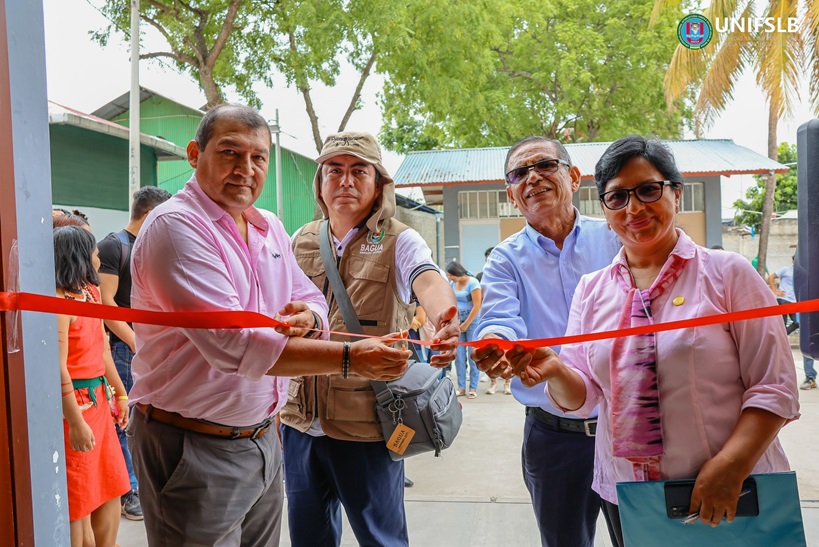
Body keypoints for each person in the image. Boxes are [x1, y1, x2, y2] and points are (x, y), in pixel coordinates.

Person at [478, 135, 799, 546]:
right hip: (627, 487)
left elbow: (775, 387)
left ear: (676, 193)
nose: (634, 209)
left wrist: (731, 467)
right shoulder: (592, 289)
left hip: (732, 486)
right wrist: (554, 367)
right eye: (618, 197)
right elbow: (585, 392)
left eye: (649, 190)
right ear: (606, 207)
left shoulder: (728, 274)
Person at [128, 105, 410, 546]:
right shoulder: (176, 227)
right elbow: (234, 346)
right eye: (229, 152)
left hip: (264, 438)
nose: (246, 169)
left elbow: (311, 295)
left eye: (258, 157)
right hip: (193, 443)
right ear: (193, 153)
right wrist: (352, 359)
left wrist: (310, 316)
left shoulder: (269, 226)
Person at [280, 131, 460, 547]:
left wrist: (445, 316)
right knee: (308, 537)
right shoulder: (299, 239)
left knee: (382, 540)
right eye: (334, 170)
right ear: (320, 183)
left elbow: (427, 279)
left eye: (358, 170)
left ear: (379, 183)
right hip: (300, 425)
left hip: (368, 427)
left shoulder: (400, 239)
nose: (345, 180)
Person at [473, 136, 621, 547]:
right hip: (554, 437)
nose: (532, 178)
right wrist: (494, 346)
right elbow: (500, 319)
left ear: (573, 176)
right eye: (519, 173)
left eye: (544, 165)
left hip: (628, 425)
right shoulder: (504, 259)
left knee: (644, 536)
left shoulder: (614, 238)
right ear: (511, 195)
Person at [96, 186, 171, 521]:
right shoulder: (113, 245)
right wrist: (134, 341)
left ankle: (148, 482)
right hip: (126, 351)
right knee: (128, 420)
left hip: (155, 348)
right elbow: (105, 303)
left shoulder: (156, 247)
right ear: (150, 213)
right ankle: (131, 490)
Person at [54, 225, 131, 547]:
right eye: (94, 251)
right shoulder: (57, 301)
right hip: (77, 406)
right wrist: (74, 422)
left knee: (113, 484)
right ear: (80, 255)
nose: (99, 256)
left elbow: (102, 348)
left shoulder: (91, 292)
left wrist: (121, 395)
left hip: (100, 401)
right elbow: (58, 367)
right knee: (80, 497)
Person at [447, 261, 482, 398]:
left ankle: (473, 388)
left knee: (472, 355)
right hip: (458, 319)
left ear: (457, 273)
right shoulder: (452, 284)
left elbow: (477, 306)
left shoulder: (473, 283)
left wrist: (466, 324)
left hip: (472, 320)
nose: (450, 278)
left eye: (451, 275)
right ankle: (461, 387)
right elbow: (452, 302)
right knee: (459, 356)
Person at [768, 256, 799, 334]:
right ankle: (782, 338)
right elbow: (771, 277)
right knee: (782, 324)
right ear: (792, 261)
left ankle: (782, 335)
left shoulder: (801, 273)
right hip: (783, 299)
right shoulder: (786, 269)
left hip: (793, 301)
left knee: (798, 322)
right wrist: (775, 291)